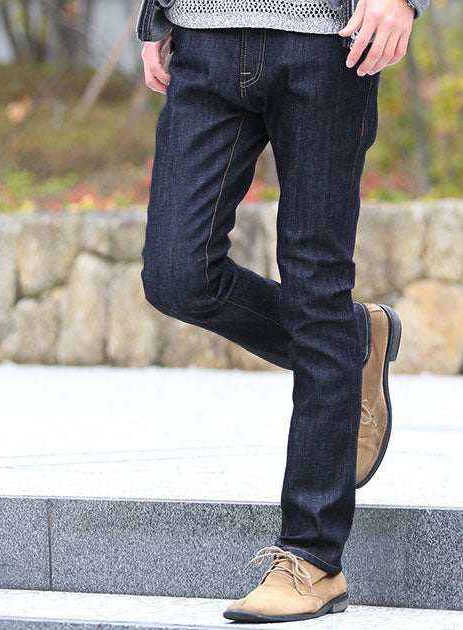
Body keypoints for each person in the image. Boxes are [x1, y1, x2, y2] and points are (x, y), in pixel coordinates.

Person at [136, 0, 428, 623]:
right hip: (202, 36)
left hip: (328, 42)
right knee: (177, 277)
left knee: (315, 289)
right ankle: (352, 343)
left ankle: (312, 558)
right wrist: (155, 16)